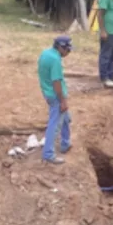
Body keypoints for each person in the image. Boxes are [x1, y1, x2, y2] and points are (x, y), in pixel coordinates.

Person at [38, 36, 73, 164]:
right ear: (60, 48)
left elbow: (42, 75)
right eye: (68, 49)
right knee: (55, 124)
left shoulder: (45, 54)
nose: (69, 52)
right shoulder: (55, 60)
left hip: (48, 92)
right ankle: (48, 154)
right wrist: (62, 101)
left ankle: (65, 143)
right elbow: (56, 82)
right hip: (55, 96)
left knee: (66, 118)